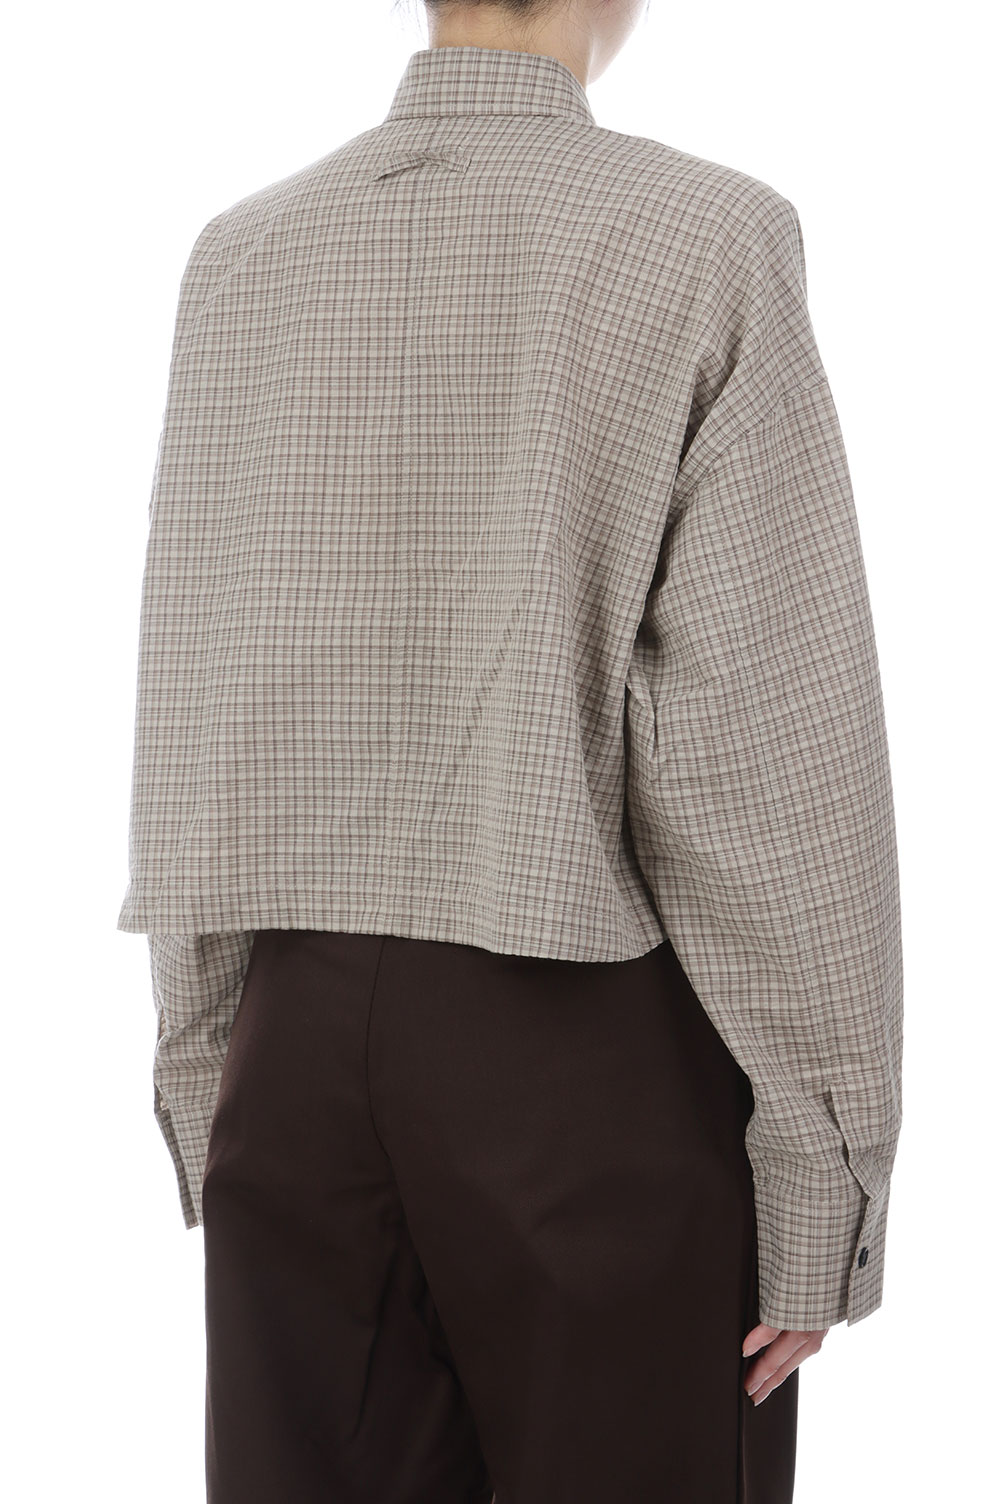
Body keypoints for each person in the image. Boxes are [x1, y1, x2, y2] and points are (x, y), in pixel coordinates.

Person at [116, 1, 904, 1500]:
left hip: (293, 1057)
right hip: (587, 1078)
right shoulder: (707, 238)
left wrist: (209, 1066)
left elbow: (197, 693)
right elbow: (769, 753)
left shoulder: (243, 255)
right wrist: (826, 1169)